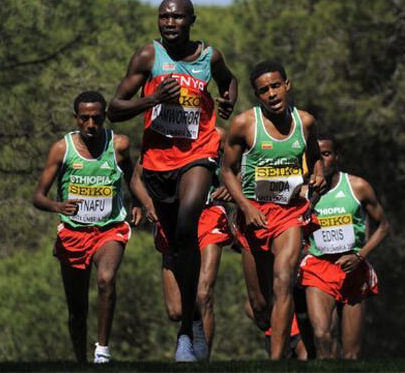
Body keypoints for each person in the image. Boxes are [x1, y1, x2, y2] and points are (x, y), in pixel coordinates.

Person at [108, 0, 237, 361]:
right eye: (164, 17)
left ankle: (186, 333)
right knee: (177, 243)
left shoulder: (209, 57)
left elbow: (231, 81)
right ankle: (192, 318)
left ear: (192, 20)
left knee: (187, 221)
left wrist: (227, 100)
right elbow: (115, 109)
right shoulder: (149, 57)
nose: (170, 23)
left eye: (178, 17)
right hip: (158, 164)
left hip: (197, 154)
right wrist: (151, 100)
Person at [221, 60, 325, 359]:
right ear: (257, 95)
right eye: (263, 90)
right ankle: (273, 325)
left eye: (275, 86)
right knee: (261, 306)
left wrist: (317, 172)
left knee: (284, 283)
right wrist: (244, 206)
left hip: (290, 212)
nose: (271, 94)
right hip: (253, 214)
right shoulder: (244, 124)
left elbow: (315, 155)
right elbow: (226, 172)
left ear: (287, 85)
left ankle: (276, 361)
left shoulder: (305, 122)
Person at [33, 91, 141, 363]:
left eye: (96, 117)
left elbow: (134, 176)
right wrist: (57, 206)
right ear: (76, 119)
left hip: (109, 228)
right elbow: (38, 197)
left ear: (104, 115)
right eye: (85, 118)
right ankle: (81, 361)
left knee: (106, 280)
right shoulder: (62, 149)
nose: (91, 124)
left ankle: (102, 351)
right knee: (77, 308)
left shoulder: (119, 145)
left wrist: (139, 203)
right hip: (73, 233)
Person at [131, 127, 234, 361]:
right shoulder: (159, 132)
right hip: (170, 220)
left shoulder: (217, 134)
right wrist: (148, 204)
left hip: (208, 216)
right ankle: (192, 322)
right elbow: (136, 178)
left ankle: (201, 360)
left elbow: (239, 164)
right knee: (176, 310)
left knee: (203, 292)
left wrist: (230, 184)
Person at [299, 134, 390, 359]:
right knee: (322, 336)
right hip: (318, 268)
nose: (321, 160)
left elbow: (384, 227)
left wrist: (359, 256)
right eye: (315, 156)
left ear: (337, 156)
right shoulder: (302, 193)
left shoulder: (357, 186)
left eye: (326, 154)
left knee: (351, 354)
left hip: (353, 270)